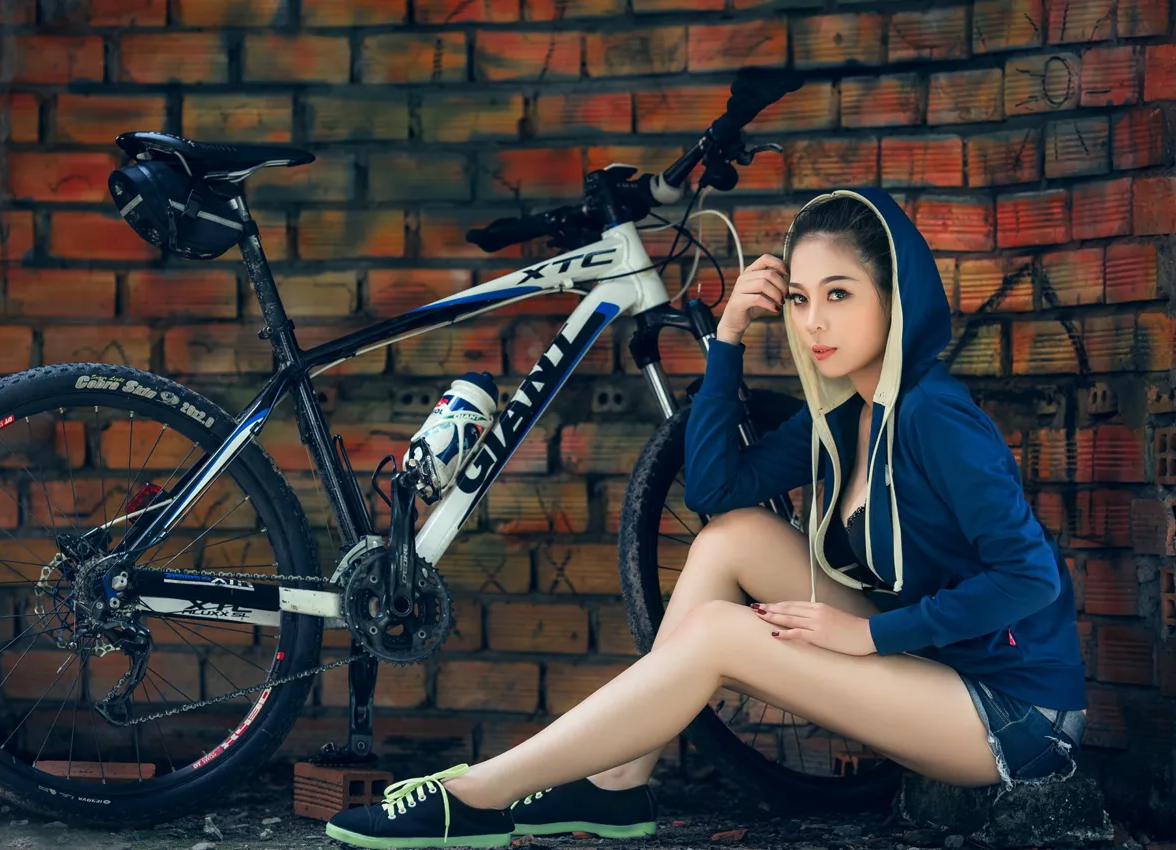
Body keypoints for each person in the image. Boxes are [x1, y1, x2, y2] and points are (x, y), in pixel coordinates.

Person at [325, 189, 1089, 849]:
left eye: (841, 294)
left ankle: (476, 799)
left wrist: (866, 634)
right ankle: (618, 784)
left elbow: (1028, 578)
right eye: (800, 298)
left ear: (896, 300)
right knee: (735, 539)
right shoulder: (852, 415)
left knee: (722, 635)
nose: (815, 321)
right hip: (940, 673)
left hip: (1013, 717)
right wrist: (725, 339)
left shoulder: (933, 417)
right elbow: (718, 490)